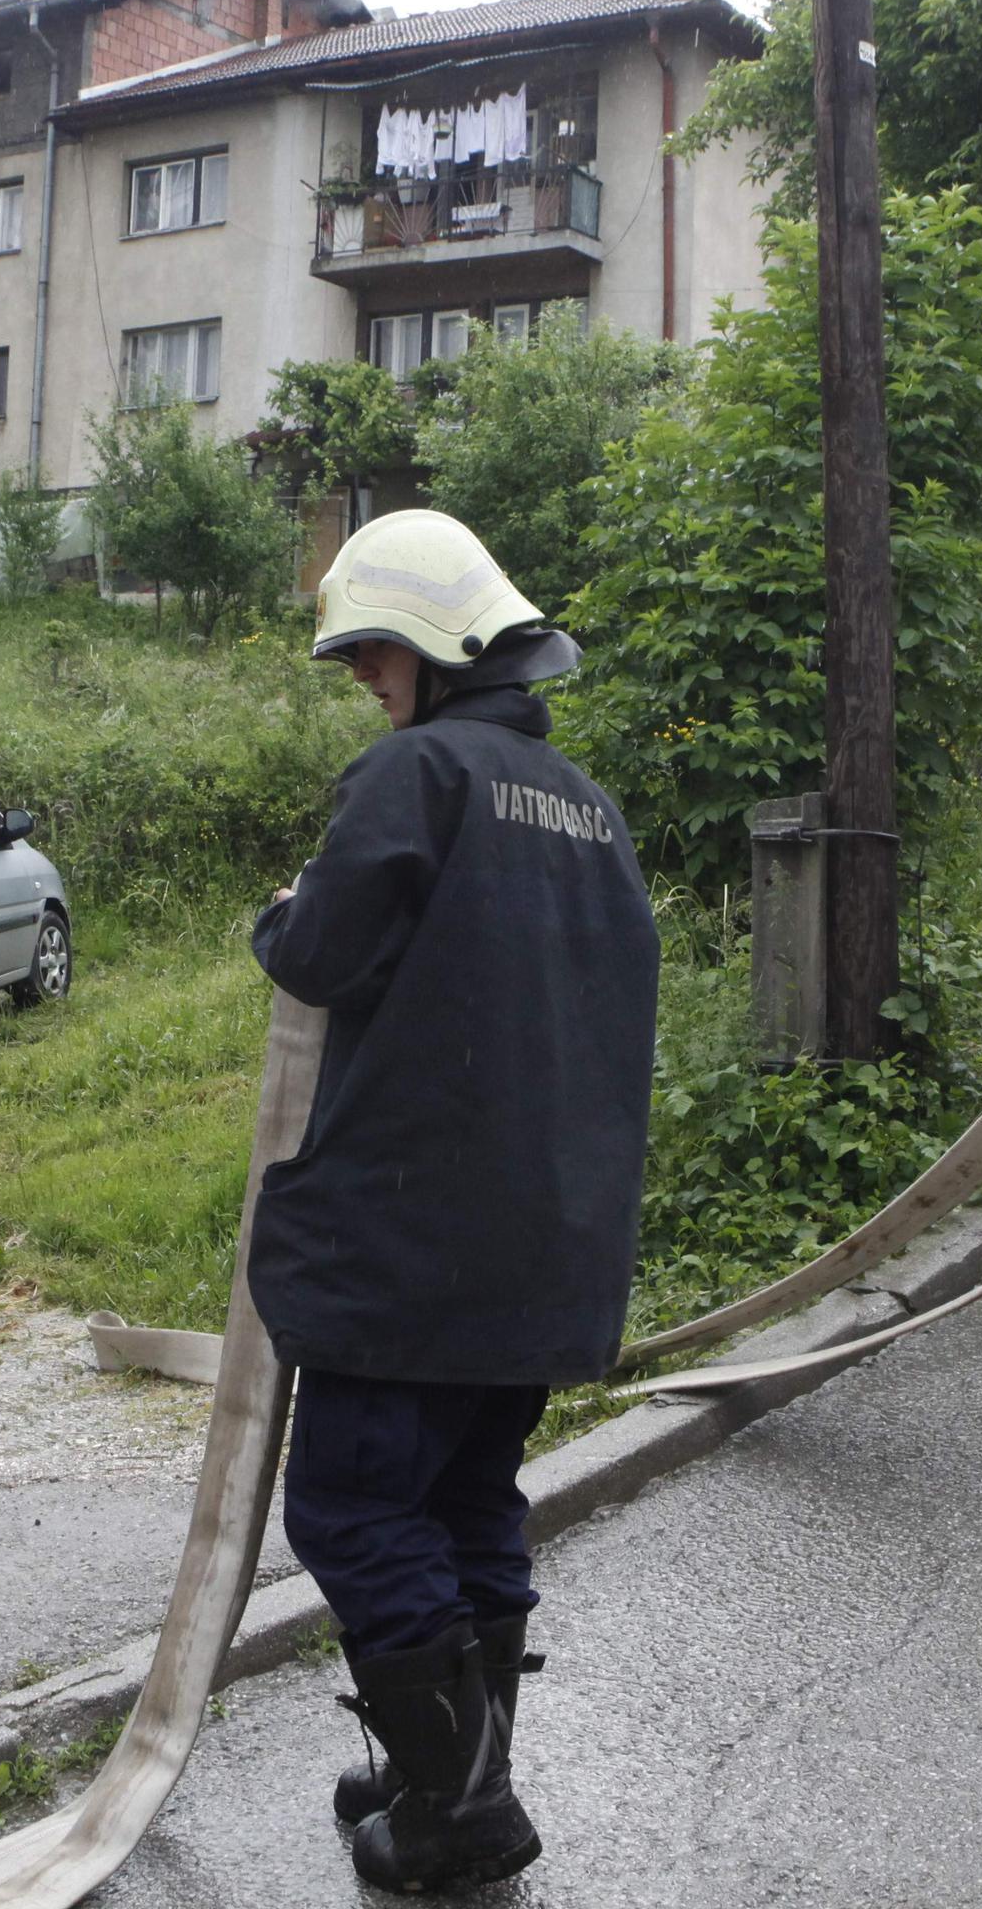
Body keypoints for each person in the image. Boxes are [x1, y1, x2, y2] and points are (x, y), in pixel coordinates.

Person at [251, 507, 661, 1894]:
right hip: (547, 1248)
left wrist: (278, 915)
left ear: (437, 645)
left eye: (374, 651)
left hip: (415, 1252)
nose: (365, 677)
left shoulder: (415, 775)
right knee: (471, 1495)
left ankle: (462, 1803)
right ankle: (450, 1763)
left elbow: (322, 954)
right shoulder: (588, 810)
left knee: (358, 1509)